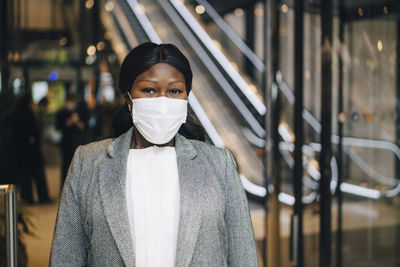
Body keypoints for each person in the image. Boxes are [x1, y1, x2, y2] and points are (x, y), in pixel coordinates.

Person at [50, 42, 258, 266]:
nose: (162, 101)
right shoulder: (88, 162)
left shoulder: (220, 165)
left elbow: (243, 256)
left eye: (174, 91)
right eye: (149, 90)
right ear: (129, 97)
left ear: (187, 97)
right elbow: (66, 257)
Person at [0, 94, 50, 203]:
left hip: (22, 152)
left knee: (26, 176)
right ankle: (41, 197)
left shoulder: (13, 114)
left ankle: (28, 197)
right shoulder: (24, 114)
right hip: (28, 150)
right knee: (34, 175)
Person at [55, 93, 88, 188]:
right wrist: (69, 121)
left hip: (77, 142)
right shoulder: (61, 112)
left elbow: (83, 127)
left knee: (78, 165)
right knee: (65, 165)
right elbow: (58, 126)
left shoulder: (79, 112)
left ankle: (77, 186)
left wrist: (77, 122)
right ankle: (63, 186)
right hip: (66, 143)